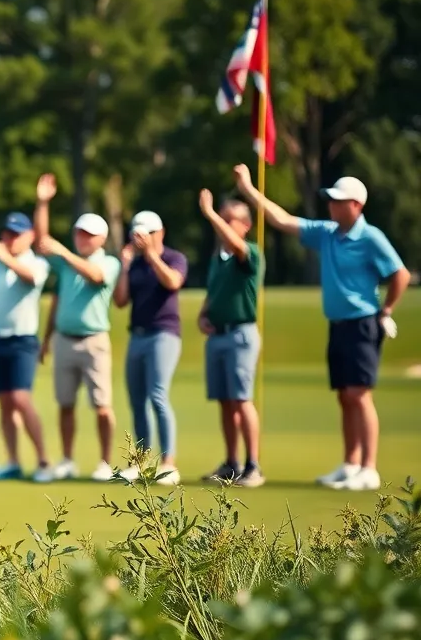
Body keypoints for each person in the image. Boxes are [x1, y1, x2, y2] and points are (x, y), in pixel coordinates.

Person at [233, 165, 408, 491]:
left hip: (363, 323)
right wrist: (247, 189)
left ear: (356, 205)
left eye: (338, 200)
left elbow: (400, 274)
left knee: (359, 395)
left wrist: (386, 310)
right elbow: (281, 220)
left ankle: (369, 468)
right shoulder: (327, 232)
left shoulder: (371, 237)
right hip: (338, 325)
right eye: (331, 199)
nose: (332, 204)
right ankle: (351, 463)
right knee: (344, 396)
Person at [0, 166, 54, 481]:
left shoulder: (36, 263)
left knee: (20, 398)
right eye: (6, 234)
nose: (9, 239)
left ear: (29, 236)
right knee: (4, 403)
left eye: (16, 234)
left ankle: (44, 461)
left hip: (22, 341)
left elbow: (27, 276)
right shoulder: (2, 260)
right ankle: (13, 461)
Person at [37, 200, 124, 482]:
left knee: (101, 406)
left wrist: (63, 251)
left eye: (88, 234)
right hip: (64, 340)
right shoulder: (64, 265)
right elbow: (41, 240)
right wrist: (43, 203)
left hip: (94, 341)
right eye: (79, 233)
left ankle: (105, 462)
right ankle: (67, 459)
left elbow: (96, 277)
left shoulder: (108, 262)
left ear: (101, 239)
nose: (82, 238)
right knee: (65, 404)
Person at [112, 210, 188, 485]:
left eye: (147, 233)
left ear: (160, 233)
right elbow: (120, 301)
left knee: (158, 395)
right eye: (137, 234)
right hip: (138, 335)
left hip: (164, 334)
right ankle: (141, 463)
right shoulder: (133, 265)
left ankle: (168, 464)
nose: (141, 238)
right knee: (137, 401)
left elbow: (173, 282)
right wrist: (124, 265)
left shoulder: (173, 258)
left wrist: (152, 256)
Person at [197, 190, 265, 487]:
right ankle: (232, 463)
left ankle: (253, 466)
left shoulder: (249, 252)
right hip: (218, 336)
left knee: (241, 399)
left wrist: (210, 213)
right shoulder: (218, 259)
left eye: (229, 219)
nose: (222, 224)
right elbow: (213, 294)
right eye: (222, 219)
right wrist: (203, 314)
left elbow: (237, 246)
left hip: (241, 334)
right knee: (225, 401)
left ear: (245, 225)